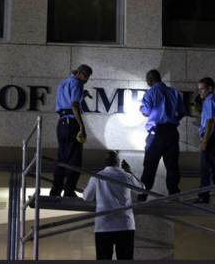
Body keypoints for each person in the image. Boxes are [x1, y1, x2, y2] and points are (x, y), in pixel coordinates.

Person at [83, 151, 144, 260]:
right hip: (125, 224)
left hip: (104, 225)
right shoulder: (126, 176)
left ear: (105, 162)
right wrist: (130, 171)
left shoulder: (97, 176)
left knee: (104, 259)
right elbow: (141, 190)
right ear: (118, 162)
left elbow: (87, 197)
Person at [138, 69, 185, 201]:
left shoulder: (150, 93)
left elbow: (146, 112)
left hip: (156, 133)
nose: (147, 83)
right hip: (171, 132)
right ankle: (174, 194)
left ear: (151, 80)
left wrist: (141, 109)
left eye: (147, 80)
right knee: (172, 165)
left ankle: (143, 194)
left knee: (150, 165)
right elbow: (181, 112)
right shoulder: (174, 92)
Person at [49, 64, 93, 197]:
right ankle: (69, 190)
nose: (87, 80)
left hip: (62, 123)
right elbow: (74, 105)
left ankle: (56, 189)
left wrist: (82, 96)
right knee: (75, 159)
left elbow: (67, 101)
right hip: (71, 123)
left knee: (62, 157)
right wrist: (82, 126)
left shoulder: (64, 82)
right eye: (87, 77)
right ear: (82, 74)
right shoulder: (77, 83)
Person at [195, 77, 215, 204]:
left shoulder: (210, 101)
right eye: (199, 90)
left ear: (210, 88)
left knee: (206, 170)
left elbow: (210, 122)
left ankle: (203, 198)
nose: (200, 92)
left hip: (211, 139)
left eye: (202, 89)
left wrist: (204, 141)